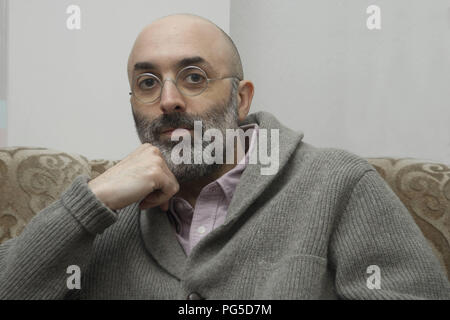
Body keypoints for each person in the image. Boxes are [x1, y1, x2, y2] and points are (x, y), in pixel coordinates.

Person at [0, 14, 449, 300]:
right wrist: (88, 205)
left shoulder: (337, 183)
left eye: (194, 77)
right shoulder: (104, 207)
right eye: (148, 82)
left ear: (241, 99)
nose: (169, 99)